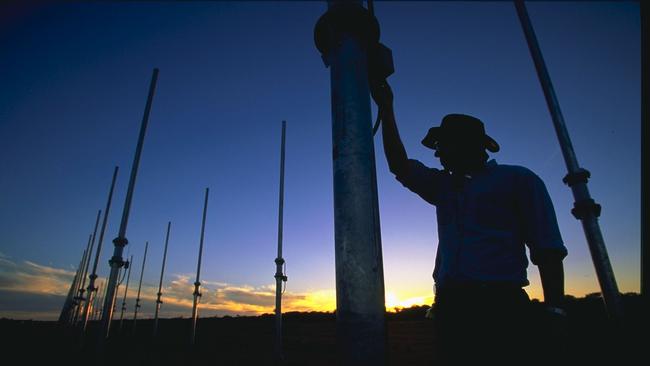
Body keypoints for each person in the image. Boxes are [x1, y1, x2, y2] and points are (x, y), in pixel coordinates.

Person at [370, 81, 568, 365]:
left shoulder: (519, 180)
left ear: (467, 145)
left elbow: (547, 249)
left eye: (443, 145)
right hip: (452, 310)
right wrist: (386, 109)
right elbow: (400, 166)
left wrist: (555, 311)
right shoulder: (444, 186)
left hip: (500, 309)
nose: (437, 154)